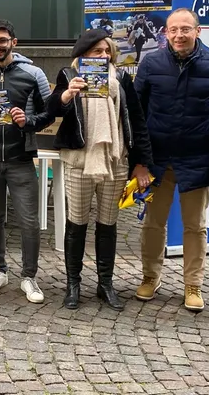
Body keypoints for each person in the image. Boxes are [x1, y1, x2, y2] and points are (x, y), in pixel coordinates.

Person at [45, 29, 153, 311]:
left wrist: (141, 163)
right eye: (97, 52)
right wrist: (67, 95)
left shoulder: (122, 78)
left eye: (107, 51)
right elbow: (51, 109)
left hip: (115, 159)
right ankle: (73, 284)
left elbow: (137, 120)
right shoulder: (69, 75)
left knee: (108, 223)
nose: (104, 56)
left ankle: (105, 284)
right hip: (79, 160)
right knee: (76, 222)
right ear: (84, 55)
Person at [132, 8, 209, 312]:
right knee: (153, 223)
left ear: (198, 31)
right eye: (173, 29)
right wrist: (139, 161)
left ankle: (193, 284)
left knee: (196, 226)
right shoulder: (151, 63)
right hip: (156, 159)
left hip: (197, 159)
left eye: (185, 29)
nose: (179, 35)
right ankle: (150, 276)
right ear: (166, 33)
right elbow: (136, 114)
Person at [0, 19, 54, 303]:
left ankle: (29, 277)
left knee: (29, 221)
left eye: (2, 40)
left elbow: (49, 113)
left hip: (21, 159)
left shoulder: (33, 73)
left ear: (13, 43)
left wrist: (27, 121)